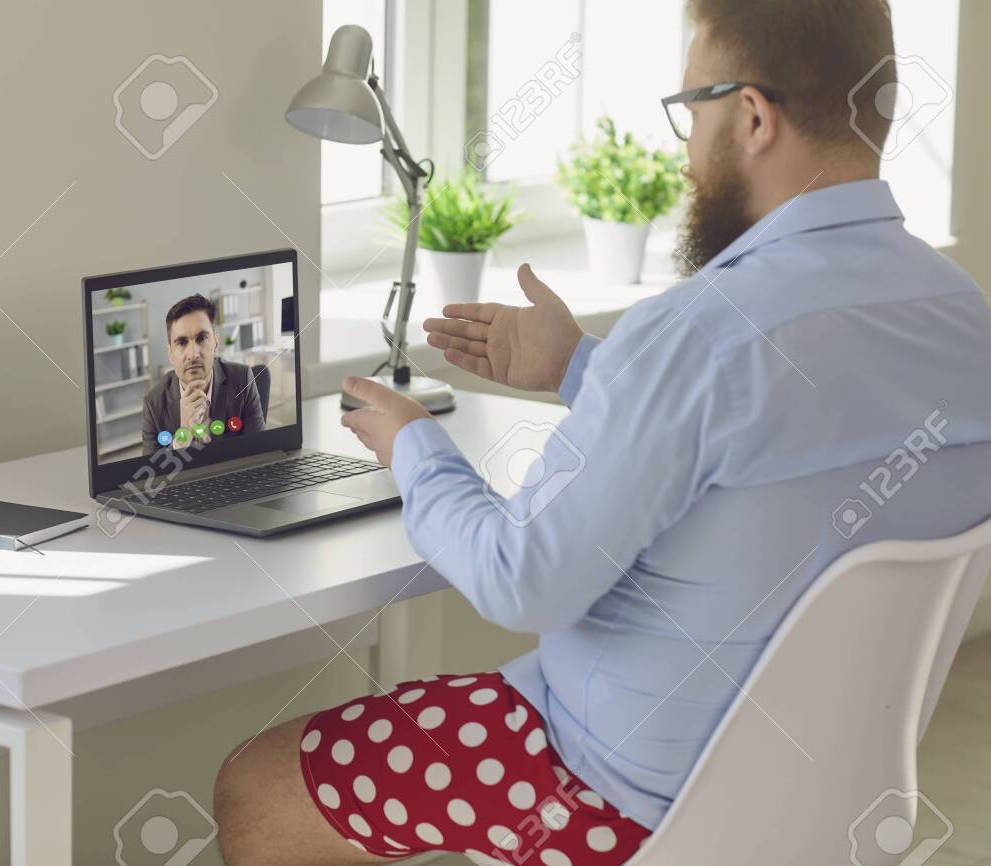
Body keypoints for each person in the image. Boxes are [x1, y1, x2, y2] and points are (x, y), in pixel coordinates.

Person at [213, 2, 991, 865]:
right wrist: (584, 368)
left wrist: (412, 446)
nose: (686, 146)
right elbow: (775, 436)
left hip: (614, 799)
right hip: (831, 815)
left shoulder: (698, 332)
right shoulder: (962, 320)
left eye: (691, 109)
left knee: (259, 781)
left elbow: (520, 583)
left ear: (754, 116)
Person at [140, 294, 266, 456]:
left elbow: (259, 453)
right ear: (170, 353)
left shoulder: (243, 379)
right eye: (182, 342)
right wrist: (183, 435)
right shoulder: (153, 402)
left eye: (202, 338)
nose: (193, 354)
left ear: (215, 343)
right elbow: (153, 475)